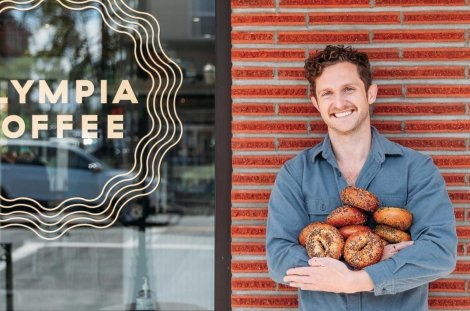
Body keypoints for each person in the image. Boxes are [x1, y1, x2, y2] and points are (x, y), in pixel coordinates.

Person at [266, 45, 457, 311]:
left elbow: (440, 252)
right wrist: (372, 262)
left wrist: (358, 280)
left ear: (370, 93)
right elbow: (279, 260)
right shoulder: (295, 174)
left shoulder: (417, 169)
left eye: (349, 89)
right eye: (327, 93)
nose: (339, 103)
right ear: (316, 103)